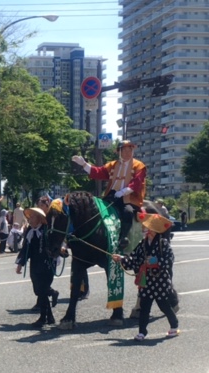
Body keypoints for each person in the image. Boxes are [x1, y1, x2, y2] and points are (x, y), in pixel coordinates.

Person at [111, 213, 179, 341]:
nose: (145, 229)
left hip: (160, 279)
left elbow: (170, 260)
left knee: (163, 305)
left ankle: (174, 324)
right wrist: (121, 259)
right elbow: (135, 259)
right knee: (144, 307)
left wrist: (157, 262)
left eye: (148, 227)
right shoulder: (142, 244)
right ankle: (142, 332)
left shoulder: (163, 243)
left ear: (154, 230)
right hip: (146, 280)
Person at [72, 139, 146, 249]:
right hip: (112, 195)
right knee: (97, 209)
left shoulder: (139, 165)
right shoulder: (113, 164)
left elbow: (137, 183)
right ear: (119, 152)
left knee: (128, 211)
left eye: (130, 150)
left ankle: (123, 238)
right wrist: (84, 164)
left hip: (129, 197)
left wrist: (122, 192)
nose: (127, 153)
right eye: (124, 150)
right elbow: (99, 172)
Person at [15, 207, 57, 328]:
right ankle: (50, 317)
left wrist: (60, 251)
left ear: (39, 218)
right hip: (35, 264)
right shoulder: (29, 231)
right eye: (29, 217)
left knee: (42, 290)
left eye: (32, 217)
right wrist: (20, 263)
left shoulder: (47, 230)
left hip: (47, 263)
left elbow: (56, 244)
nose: (30, 219)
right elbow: (25, 249)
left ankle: (43, 317)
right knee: (38, 290)